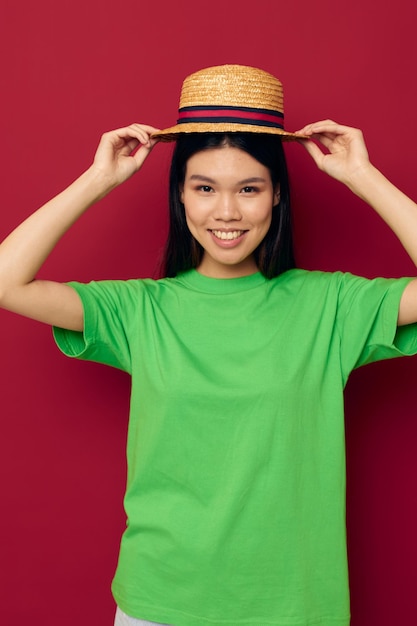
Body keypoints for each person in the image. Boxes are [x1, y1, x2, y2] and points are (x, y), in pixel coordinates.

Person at [1, 64, 417, 626]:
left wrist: (364, 176)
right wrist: (98, 180)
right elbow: (6, 281)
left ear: (276, 198)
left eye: (249, 188)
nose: (226, 212)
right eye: (205, 188)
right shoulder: (140, 310)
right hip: (160, 603)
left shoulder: (330, 307)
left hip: (293, 608)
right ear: (180, 195)